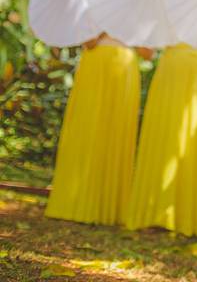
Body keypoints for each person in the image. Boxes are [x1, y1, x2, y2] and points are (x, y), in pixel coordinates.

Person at [125, 43, 197, 238]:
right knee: (164, 144)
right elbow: (148, 50)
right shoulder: (170, 11)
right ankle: (155, 213)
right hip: (170, 77)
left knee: (196, 145)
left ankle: (191, 217)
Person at [45, 33, 147, 225]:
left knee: (114, 136)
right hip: (97, 66)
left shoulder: (136, 8)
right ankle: (75, 201)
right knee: (86, 130)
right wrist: (107, 29)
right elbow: (88, 42)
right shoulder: (97, 4)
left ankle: (110, 207)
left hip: (122, 67)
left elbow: (147, 52)